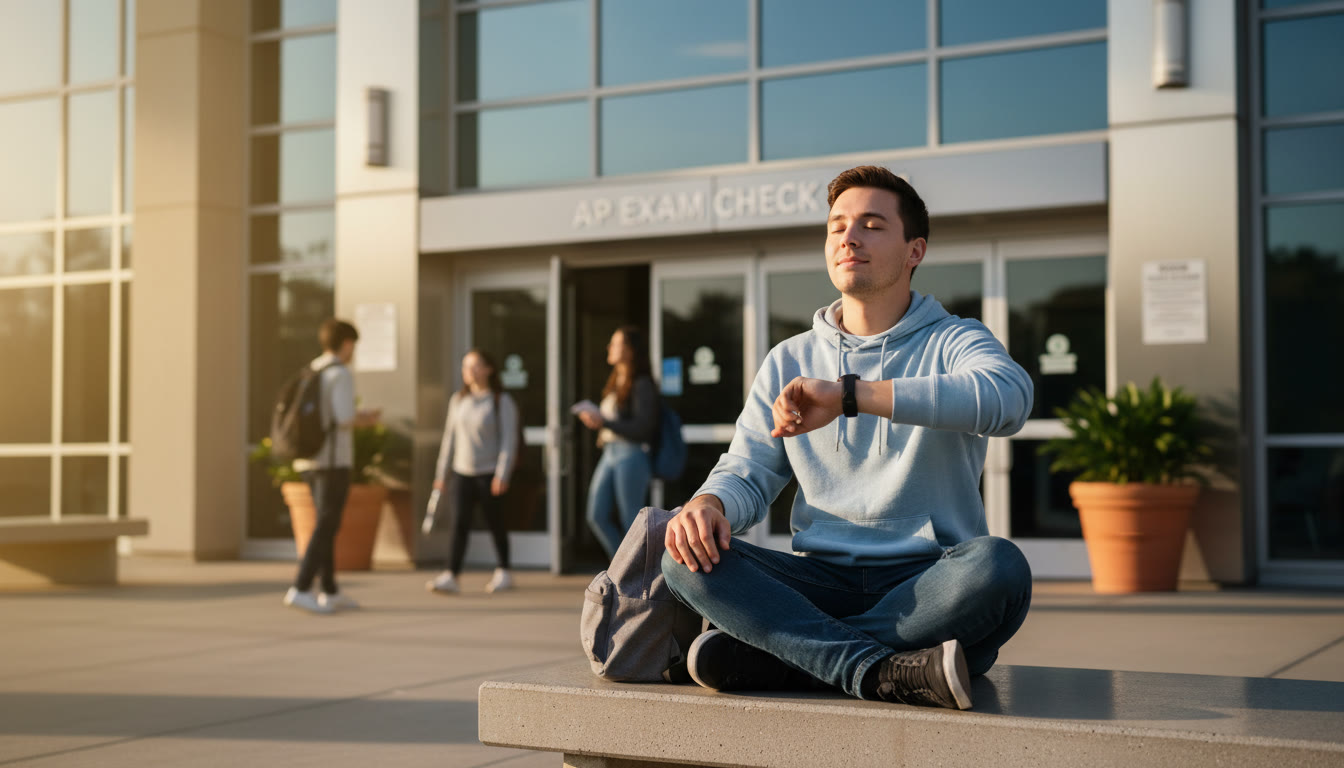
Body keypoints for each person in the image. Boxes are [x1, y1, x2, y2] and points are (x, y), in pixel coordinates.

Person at [661, 166, 1035, 710]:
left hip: (929, 580)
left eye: (872, 224)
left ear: (915, 251)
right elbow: (750, 468)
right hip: (819, 580)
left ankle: (790, 655)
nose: (848, 238)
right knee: (682, 558)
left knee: (998, 569)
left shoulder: (957, 338)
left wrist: (850, 396)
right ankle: (885, 669)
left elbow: (1008, 399)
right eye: (837, 226)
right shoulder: (788, 358)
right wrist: (709, 503)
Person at [284, 318, 380, 614]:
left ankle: (329, 589)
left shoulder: (312, 369)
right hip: (332, 460)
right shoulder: (340, 373)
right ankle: (301, 587)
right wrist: (368, 418)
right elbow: (344, 417)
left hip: (307, 459)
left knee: (325, 523)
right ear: (347, 344)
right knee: (327, 523)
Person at [426, 349, 520, 594]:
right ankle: (451, 574)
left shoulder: (501, 401)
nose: (469, 371)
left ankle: (503, 571)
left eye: (475, 365)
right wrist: (441, 474)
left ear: (489, 369)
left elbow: (508, 441)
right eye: (466, 366)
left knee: (495, 522)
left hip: (489, 474)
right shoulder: (458, 400)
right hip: (461, 472)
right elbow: (449, 439)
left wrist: (502, 473)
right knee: (459, 524)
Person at [578, 326, 658, 559]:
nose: (609, 348)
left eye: (615, 343)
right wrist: (600, 427)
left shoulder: (642, 383)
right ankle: (625, 568)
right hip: (610, 453)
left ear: (630, 351)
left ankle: (640, 574)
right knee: (596, 515)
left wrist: (604, 423)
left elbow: (643, 428)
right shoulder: (616, 380)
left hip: (631, 454)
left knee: (631, 520)